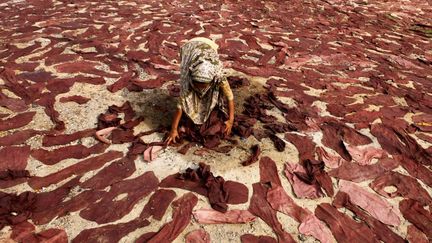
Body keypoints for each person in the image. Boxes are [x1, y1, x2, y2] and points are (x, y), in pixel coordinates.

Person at [165, 37, 234, 146]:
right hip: (189, 49)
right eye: (198, 86)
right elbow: (180, 106)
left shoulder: (218, 76)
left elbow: (230, 96)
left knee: (215, 92)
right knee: (188, 98)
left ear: (211, 81)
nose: (201, 90)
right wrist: (173, 129)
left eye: (204, 86)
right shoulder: (188, 78)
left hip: (209, 46)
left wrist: (231, 120)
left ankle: (209, 105)